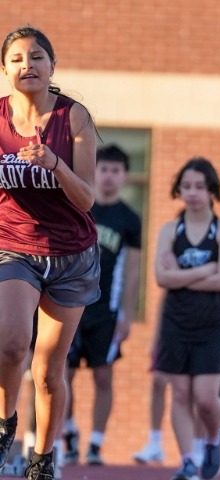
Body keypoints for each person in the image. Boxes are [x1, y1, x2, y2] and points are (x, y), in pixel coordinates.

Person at [0, 25, 100, 480]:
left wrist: (54, 163)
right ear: (6, 70)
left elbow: (87, 199)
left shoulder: (74, 118)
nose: (28, 65)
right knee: (11, 343)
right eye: (17, 59)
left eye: (37, 57)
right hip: (13, 245)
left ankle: (41, 458)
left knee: (46, 369)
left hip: (71, 253)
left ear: (52, 66)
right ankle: (5, 423)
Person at [63, 144, 141, 466]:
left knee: (103, 376)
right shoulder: (79, 206)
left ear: (125, 176)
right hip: (69, 305)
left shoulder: (129, 219)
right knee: (62, 373)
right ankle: (68, 432)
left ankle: (96, 443)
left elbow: (132, 271)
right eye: (104, 169)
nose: (108, 176)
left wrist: (127, 315)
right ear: (94, 171)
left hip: (105, 310)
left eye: (115, 170)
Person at [154, 157, 220, 480]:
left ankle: (213, 438)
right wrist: (205, 269)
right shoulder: (170, 230)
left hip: (213, 323)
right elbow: (162, 278)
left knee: (205, 398)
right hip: (177, 320)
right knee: (180, 394)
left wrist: (182, 275)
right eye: (186, 186)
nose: (193, 193)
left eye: (200, 186)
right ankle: (187, 461)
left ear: (211, 190)